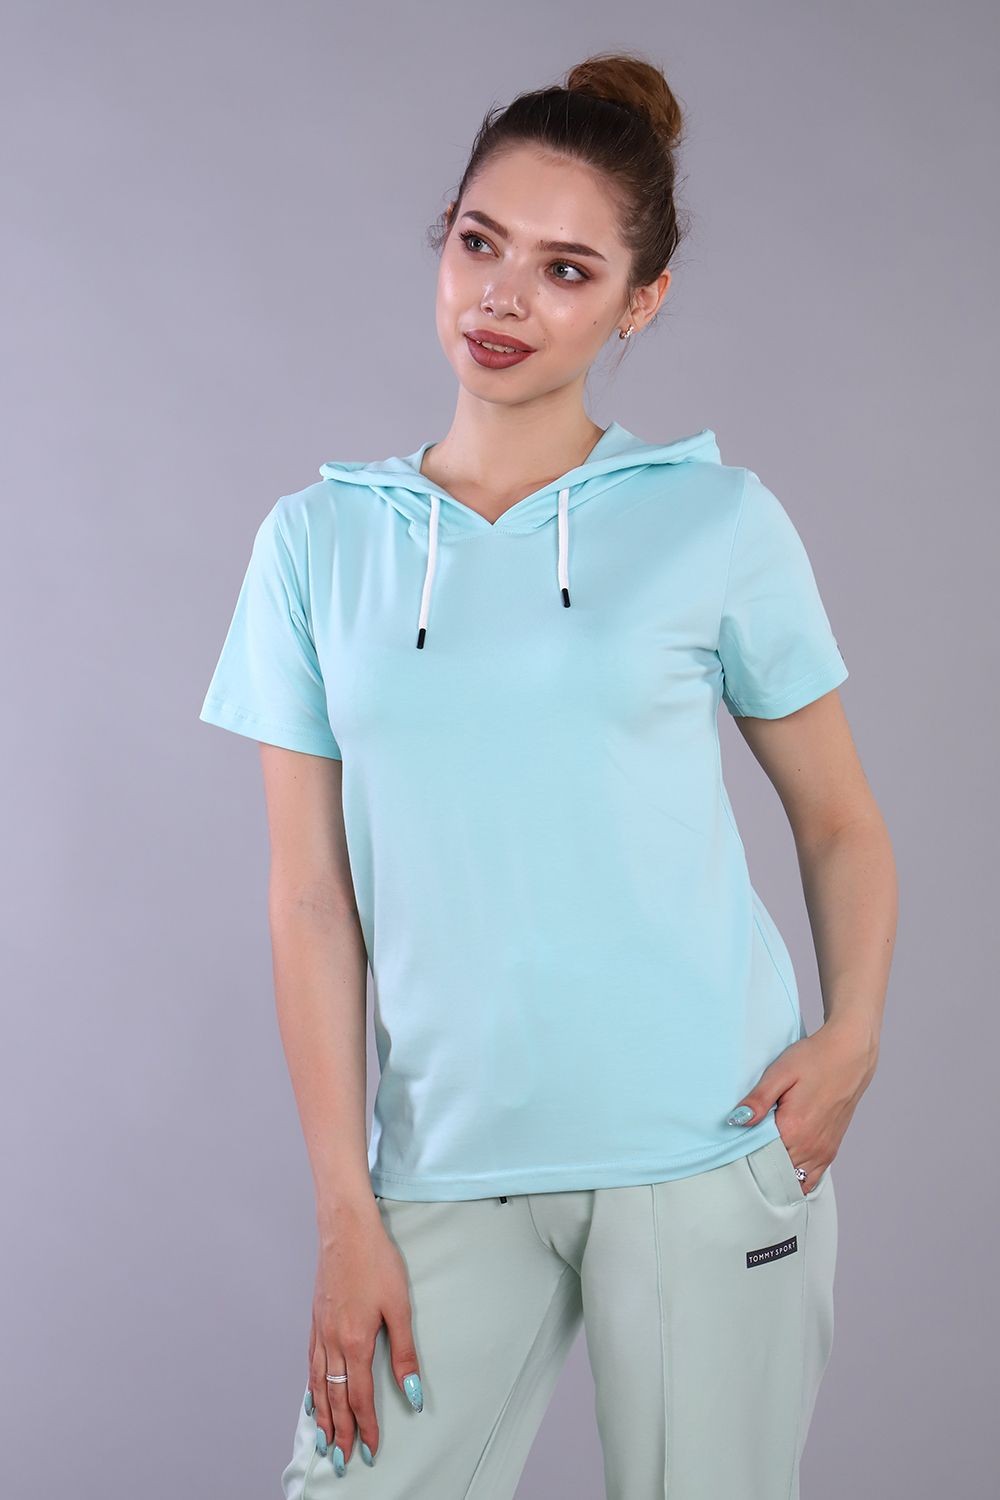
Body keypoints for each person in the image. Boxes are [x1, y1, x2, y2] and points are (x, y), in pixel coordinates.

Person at [198, 50, 896, 1500]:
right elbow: (310, 902)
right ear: (444, 242)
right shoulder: (315, 546)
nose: (503, 298)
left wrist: (853, 1037)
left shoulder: (716, 521)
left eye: (566, 270)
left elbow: (838, 819)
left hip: (708, 1145)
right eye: (480, 243)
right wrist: (344, 1210)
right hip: (448, 1164)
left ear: (641, 301)